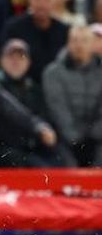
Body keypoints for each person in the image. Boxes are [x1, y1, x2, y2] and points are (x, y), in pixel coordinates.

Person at [40, 25, 102, 166]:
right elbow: (58, 110)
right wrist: (76, 140)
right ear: (68, 43)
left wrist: (94, 137)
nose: (79, 45)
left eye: (84, 40)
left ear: (92, 44)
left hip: (98, 139)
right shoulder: (52, 73)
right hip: (65, 140)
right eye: (74, 40)